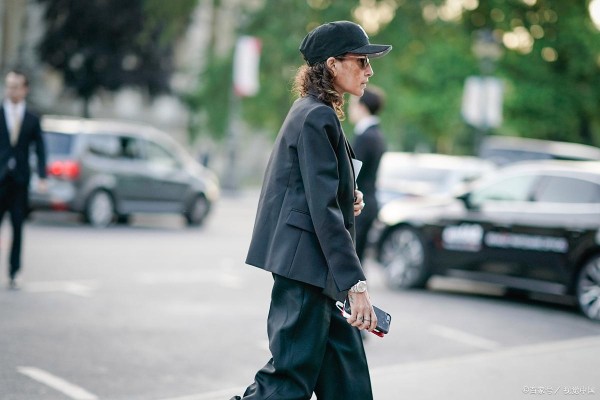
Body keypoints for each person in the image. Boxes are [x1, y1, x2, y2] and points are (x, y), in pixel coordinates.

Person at [230, 21, 391, 400]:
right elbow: (322, 210)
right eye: (362, 60)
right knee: (287, 382)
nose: (369, 70)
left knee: (348, 382)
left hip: (316, 269)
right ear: (333, 64)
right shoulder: (316, 115)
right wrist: (356, 285)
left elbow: (308, 190)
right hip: (307, 270)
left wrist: (348, 195)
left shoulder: (313, 111)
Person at [0, 69, 47, 289]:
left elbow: (40, 148)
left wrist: (42, 176)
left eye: (16, 86)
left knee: (18, 228)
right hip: (0, 179)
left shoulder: (32, 118)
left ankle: (14, 271)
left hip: (20, 182)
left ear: (25, 89)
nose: (11, 90)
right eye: (9, 86)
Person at [349, 86, 387, 263]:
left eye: (353, 104)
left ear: (362, 107)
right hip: (368, 204)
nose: (350, 109)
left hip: (360, 206)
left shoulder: (366, 137)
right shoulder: (376, 134)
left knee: (351, 261)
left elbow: (352, 174)